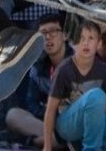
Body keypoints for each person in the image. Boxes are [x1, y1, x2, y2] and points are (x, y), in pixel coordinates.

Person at [42, 19, 106, 151]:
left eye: (91, 38)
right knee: (96, 95)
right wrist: (47, 146)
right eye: (81, 38)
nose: (86, 43)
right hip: (67, 123)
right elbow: (50, 110)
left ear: (98, 44)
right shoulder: (64, 70)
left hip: (93, 121)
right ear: (74, 44)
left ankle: (80, 144)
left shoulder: (102, 70)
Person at [4, 13, 68, 148]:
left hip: (73, 122)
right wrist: (48, 111)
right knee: (13, 115)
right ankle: (55, 141)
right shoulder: (37, 66)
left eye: (54, 31)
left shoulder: (76, 61)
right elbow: (31, 103)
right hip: (49, 123)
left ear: (65, 35)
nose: (48, 37)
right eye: (43, 33)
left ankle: (38, 141)